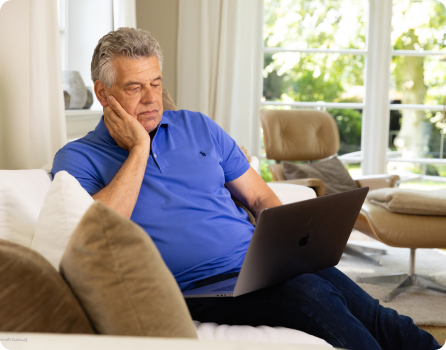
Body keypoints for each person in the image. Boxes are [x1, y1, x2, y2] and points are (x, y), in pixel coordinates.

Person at [52, 28, 440, 350]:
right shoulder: (78, 158)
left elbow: (258, 196)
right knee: (312, 295)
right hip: (196, 290)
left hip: (257, 267)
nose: (153, 99)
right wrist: (139, 149)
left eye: (156, 83)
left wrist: (286, 248)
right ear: (103, 94)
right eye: (135, 88)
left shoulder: (198, 126)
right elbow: (98, 228)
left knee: (369, 310)